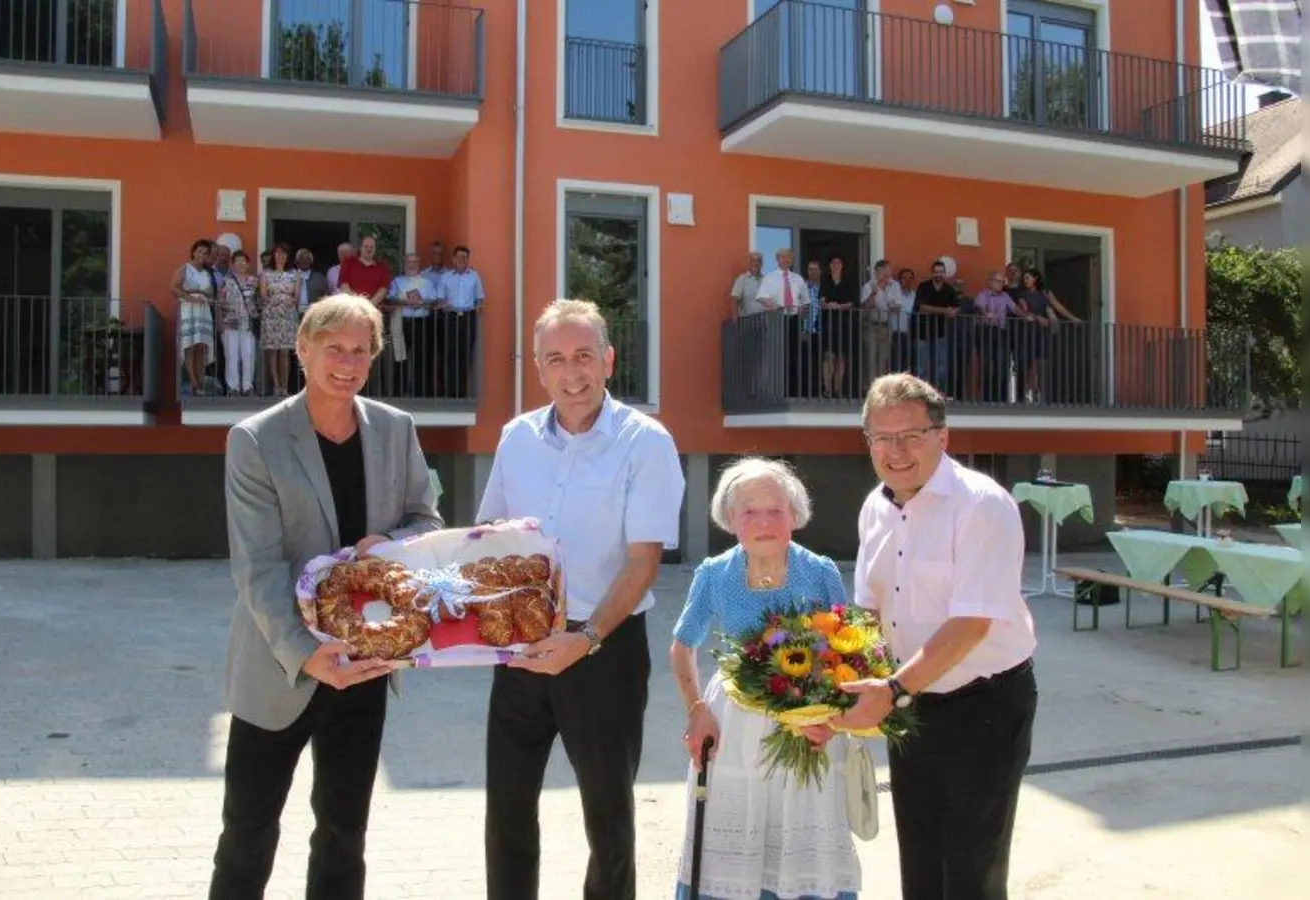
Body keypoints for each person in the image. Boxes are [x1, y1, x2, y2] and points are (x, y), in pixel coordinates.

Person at [211, 293, 445, 900]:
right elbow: (257, 567)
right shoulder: (255, 440)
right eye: (334, 348)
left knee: (345, 834)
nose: (347, 362)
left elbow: (427, 521)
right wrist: (304, 652)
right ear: (302, 349)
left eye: (361, 350)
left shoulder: (396, 429)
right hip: (279, 664)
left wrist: (391, 542)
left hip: (366, 661)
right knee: (247, 833)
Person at [476, 298, 686, 900]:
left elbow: (643, 564)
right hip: (522, 645)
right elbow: (492, 540)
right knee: (508, 812)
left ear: (609, 361)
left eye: (585, 357)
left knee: (608, 820)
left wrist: (586, 638)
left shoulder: (646, 443)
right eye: (557, 359)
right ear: (538, 369)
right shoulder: (516, 438)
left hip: (605, 651)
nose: (573, 373)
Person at [823, 372, 1038, 900]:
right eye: (881, 437)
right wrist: (834, 697)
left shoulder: (981, 505)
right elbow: (868, 614)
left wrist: (892, 691)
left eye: (911, 435)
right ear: (866, 441)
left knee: (970, 871)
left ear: (943, 436)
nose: (896, 451)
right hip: (912, 708)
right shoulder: (874, 508)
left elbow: (971, 624)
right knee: (919, 863)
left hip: (983, 708)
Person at [670, 457, 862, 900]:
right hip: (732, 726)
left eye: (775, 509)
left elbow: (846, 650)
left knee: (801, 835)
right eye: (749, 511)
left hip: (807, 725)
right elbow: (683, 645)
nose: (763, 521)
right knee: (733, 837)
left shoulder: (820, 570)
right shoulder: (714, 573)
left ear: (794, 516)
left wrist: (830, 719)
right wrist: (697, 711)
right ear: (730, 521)